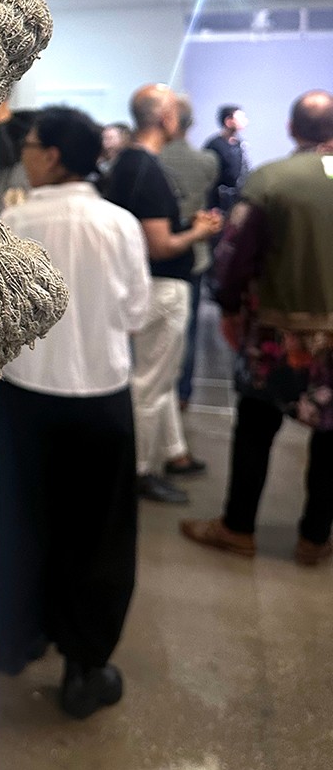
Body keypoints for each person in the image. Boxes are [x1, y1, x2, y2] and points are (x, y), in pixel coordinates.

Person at [0, 106, 151, 719]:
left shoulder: (14, 222)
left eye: (31, 145)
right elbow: (136, 313)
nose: (26, 155)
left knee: (24, 525)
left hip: (26, 397)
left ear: (53, 156)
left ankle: (18, 639)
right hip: (102, 401)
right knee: (100, 536)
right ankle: (85, 667)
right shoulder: (119, 224)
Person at [181, 90, 333, 566]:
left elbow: (233, 256)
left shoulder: (270, 180)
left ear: (292, 129)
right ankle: (314, 539)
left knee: (254, 428)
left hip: (276, 335)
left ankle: (238, 528)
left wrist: (228, 309)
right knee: (331, 438)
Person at [103, 85, 222, 503]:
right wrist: (199, 232)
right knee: (150, 385)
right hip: (161, 286)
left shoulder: (128, 163)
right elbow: (160, 245)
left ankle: (174, 453)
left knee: (161, 378)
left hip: (143, 284)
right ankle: (138, 470)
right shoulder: (147, 168)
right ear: (166, 118)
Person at [158, 95, 219, 411]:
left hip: (154, 252)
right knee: (189, 327)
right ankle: (182, 392)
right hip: (194, 252)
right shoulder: (207, 161)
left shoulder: (152, 160)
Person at [204, 103, 249, 220]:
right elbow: (207, 176)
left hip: (237, 201)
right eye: (240, 118)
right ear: (228, 121)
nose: (245, 121)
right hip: (218, 203)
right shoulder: (214, 145)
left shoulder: (240, 145)